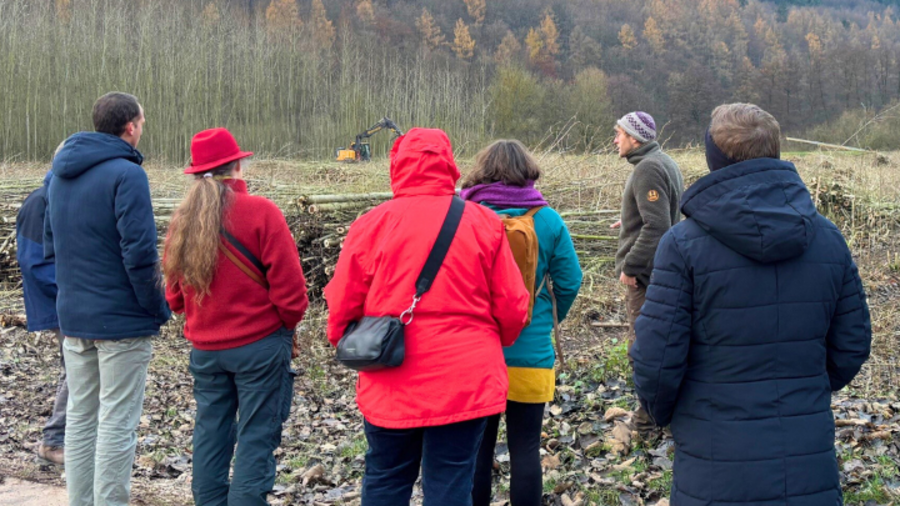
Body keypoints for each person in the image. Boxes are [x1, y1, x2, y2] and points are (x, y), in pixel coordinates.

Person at [631, 103, 872, 506]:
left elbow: (655, 361)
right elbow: (852, 344)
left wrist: (672, 413)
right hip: (806, 463)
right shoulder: (828, 238)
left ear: (713, 157)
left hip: (713, 467)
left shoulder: (681, 246)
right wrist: (801, 389)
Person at [324, 128, 529, 506]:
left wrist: (345, 340)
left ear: (396, 167)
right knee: (451, 482)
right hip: (466, 379)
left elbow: (341, 302)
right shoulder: (484, 223)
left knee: (386, 479)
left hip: (390, 379)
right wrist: (484, 342)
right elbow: (515, 305)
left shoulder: (371, 225)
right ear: (449, 165)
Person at [164, 128, 309, 506]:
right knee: (256, 437)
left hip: (206, 352)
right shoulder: (261, 212)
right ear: (238, 165)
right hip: (260, 348)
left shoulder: (182, 221)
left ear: (195, 173)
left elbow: (175, 299)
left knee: (210, 435)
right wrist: (283, 325)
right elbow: (293, 296)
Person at [45, 92, 171, 506]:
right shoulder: (127, 174)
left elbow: (50, 244)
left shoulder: (59, 174)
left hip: (75, 315)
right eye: (143, 120)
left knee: (81, 417)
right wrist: (156, 306)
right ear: (130, 127)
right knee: (117, 420)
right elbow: (139, 253)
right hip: (120, 320)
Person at [461, 140, 582, 506]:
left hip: (475, 355)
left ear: (483, 171)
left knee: (477, 453)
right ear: (528, 172)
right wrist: (543, 317)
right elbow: (570, 281)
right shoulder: (547, 219)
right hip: (530, 353)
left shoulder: (464, 215)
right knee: (526, 450)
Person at [611, 111, 683, 435]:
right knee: (659, 342)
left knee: (643, 347)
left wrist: (631, 266)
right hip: (662, 271)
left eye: (619, 134)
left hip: (647, 274)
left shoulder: (647, 169)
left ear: (635, 138)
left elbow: (658, 226)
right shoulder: (663, 161)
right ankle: (660, 414)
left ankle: (647, 421)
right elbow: (658, 213)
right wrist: (626, 221)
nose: (615, 140)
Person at [17, 145, 64, 465]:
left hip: (69, 300)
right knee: (78, 373)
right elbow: (35, 263)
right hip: (61, 303)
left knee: (78, 371)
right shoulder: (40, 202)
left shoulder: (58, 198)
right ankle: (54, 441)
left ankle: (62, 438)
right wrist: (70, 294)